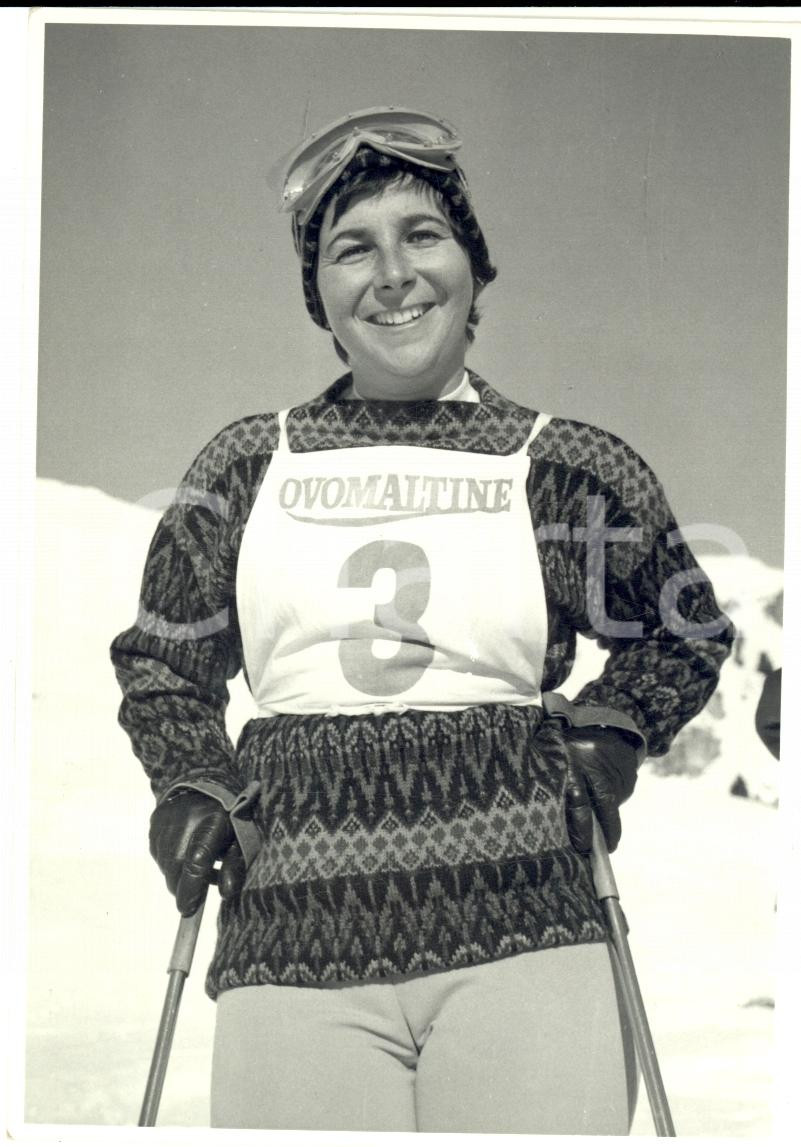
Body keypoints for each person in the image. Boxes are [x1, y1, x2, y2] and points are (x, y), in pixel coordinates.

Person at [111, 107, 734, 1135]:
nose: (392, 274)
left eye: (423, 236)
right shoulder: (244, 466)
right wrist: (190, 776)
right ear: (319, 292)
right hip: (293, 935)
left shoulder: (562, 464)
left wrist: (616, 724)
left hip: (529, 922)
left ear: (474, 267)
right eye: (353, 249)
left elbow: (685, 627)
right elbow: (164, 663)